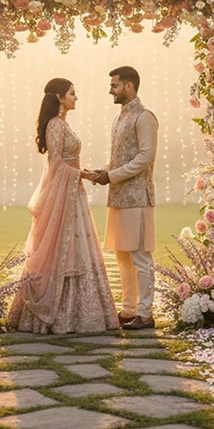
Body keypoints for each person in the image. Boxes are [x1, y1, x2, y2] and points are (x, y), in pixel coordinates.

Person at [7, 78, 120, 334]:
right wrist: (83, 175)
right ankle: (60, 316)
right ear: (59, 97)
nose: (76, 98)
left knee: (76, 248)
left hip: (72, 193)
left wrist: (83, 174)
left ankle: (79, 314)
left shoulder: (63, 124)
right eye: (72, 93)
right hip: (65, 193)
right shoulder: (56, 125)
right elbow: (56, 163)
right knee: (64, 249)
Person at [93, 66, 158, 330]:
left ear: (129, 86)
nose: (111, 90)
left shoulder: (144, 117)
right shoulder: (120, 117)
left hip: (138, 197)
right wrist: (104, 172)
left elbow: (145, 157)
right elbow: (121, 156)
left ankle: (146, 313)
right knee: (122, 257)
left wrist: (113, 175)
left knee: (140, 257)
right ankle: (129, 309)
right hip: (118, 197)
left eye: (114, 85)